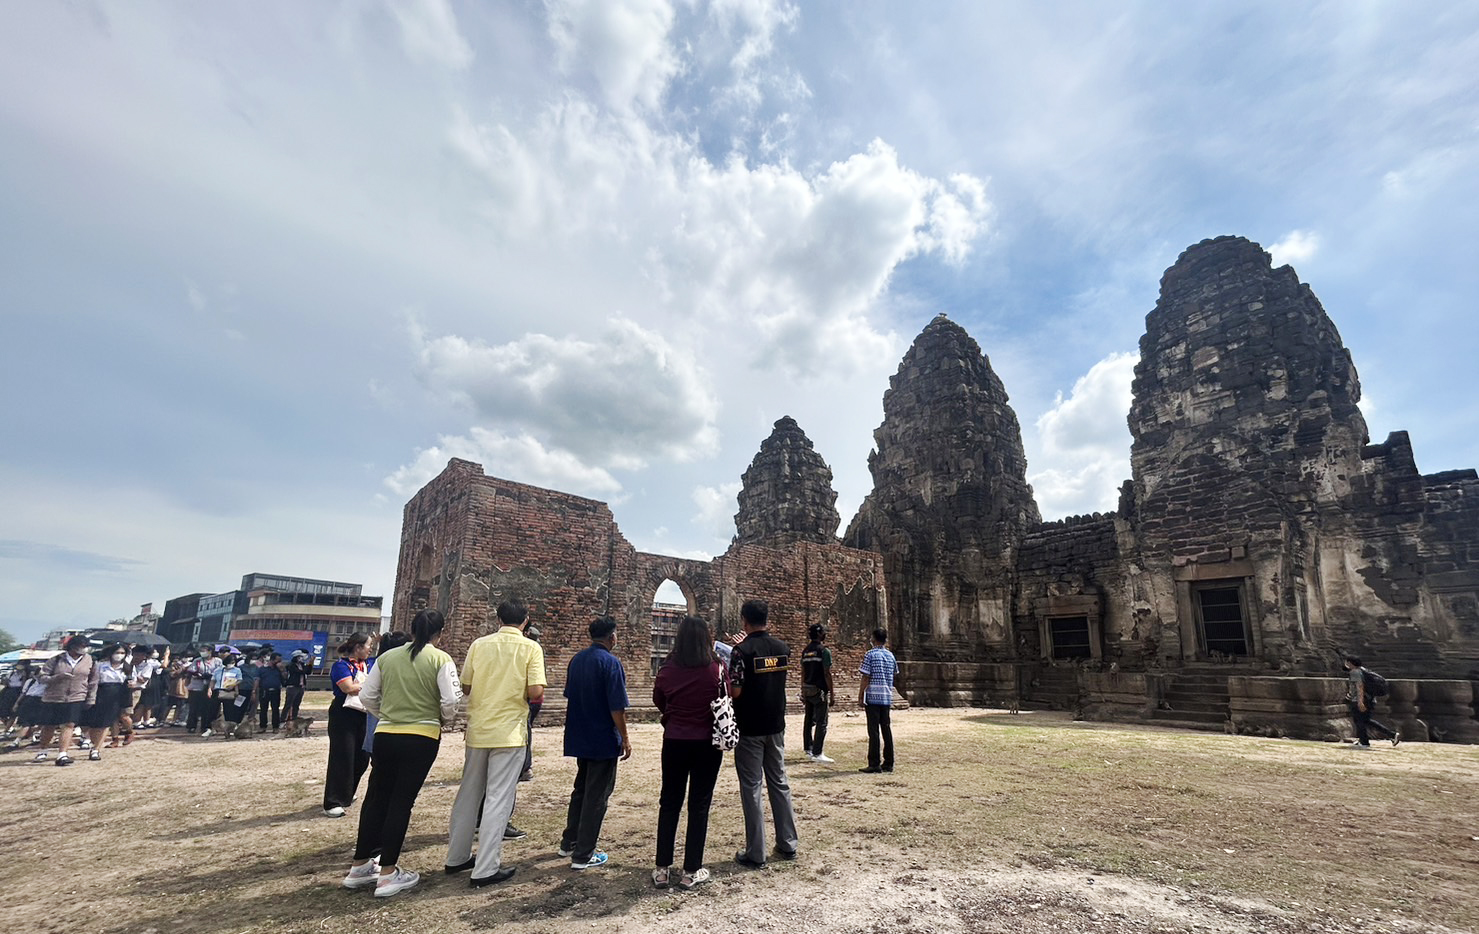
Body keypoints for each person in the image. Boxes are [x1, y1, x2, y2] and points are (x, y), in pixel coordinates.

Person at [341, 610, 462, 898]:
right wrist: (441, 719)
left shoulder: (386, 657)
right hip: (421, 736)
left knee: (376, 798)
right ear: (440, 633)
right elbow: (450, 699)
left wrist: (387, 714)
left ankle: (360, 865)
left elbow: (367, 696)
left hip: (386, 734)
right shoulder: (440, 659)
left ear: (410, 629)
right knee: (401, 801)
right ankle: (388, 873)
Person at [446, 600, 546, 887]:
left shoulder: (480, 644)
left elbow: (466, 686)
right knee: (498, 798)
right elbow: (536, 690)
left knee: (468, 794)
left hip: (479, 728)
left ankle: (457, 857)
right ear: (525, 620)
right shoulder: (530, 648)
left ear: (498, 618)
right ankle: (486, 867)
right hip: (509, 732)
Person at [651, 615, 728, 890]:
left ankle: (662, 869)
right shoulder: (716, 668)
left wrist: (674, 715)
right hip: (707, 742)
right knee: (699, 804)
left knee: (669, 802)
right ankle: (691, 870)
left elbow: (658, 698)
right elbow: (725, 698)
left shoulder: (668, 668)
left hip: (675, 740)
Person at [729, 599, 798, 868]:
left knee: (752, 787)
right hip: (775, 724)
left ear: (744, 620)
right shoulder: (781, 648)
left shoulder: (741, 651)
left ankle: (756, 852)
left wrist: (735, 650)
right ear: (766, 619)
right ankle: (788, 842)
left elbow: (735, 691)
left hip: (749, 727)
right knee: (779, 782)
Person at [559, 616, 631, 871]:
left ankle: (569, 841)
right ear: (612, 637)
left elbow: (571, 695)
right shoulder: (611, 663)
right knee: (597, 795)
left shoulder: (577, 660)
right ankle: (584, 854)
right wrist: (625, 737)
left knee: (581, 789)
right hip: (602, 738)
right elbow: (616, 707)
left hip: (581, 733)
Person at [323, 634, 373, 817]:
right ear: (358, 647)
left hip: (363, 713)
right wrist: (369, 684)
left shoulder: (369, 664)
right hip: (343, 714)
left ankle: (347, 792)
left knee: (362, 757)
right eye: (368, 645)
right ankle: (333, 801)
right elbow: (348, 688)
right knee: (342, 757)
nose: (370, 649)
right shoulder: (341, 666)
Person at [34, 634, 99, 766]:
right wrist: (56, 678)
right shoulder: (57, 659)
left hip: (76, 696)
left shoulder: (90, 660)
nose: (84, 649)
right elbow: (42, 677)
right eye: (81, 646)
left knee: (69, 724)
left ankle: (62, 754)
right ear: (72, 646)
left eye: (86, 646)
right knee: (49, 725)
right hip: (53, 697)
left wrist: (91, 698)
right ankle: (43, 749)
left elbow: (93, 681)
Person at [858, 628, 898, 773]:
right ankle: (889, 762)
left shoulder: (870, 654)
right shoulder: (890, 656)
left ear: (873, 639)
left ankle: (874, 763)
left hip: (873, 696)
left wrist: (861, 695)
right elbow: (894, 674)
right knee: (886, 729)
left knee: (873, 731)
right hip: (886, 696)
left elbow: (865, 677)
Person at [83, 644, 133, 755]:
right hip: (101, 693)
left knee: (107, 723)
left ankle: (96, 749)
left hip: (117, 694)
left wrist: (131, 685)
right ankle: (93, 742)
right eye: (117, 653)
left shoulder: (127, 667)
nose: (119, 655)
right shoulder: (100, 665)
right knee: (94, 723)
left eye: (122, 653)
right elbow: (94, 680)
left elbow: (131, 681)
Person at [1344, 655, 1401, 749]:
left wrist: (1360, 701)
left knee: (1360, 721)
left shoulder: (1355, 672)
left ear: (1350, 663)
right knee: (1365, 720)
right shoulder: (1364, 670)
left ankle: (1365, 742)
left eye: (1347, 662)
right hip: (1370, 699)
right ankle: (1389, 735)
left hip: (1360, 700)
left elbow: (1360, 686)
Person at [799, 624, 836, 764]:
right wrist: (832, 693)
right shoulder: (824, 651)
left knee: (808, 720)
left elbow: (803, 672)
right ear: (820, 634)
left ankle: (808, 747)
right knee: (822, 722)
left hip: (807, 688)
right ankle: (818, 752)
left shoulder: (806, 651)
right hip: (819, 690)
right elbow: (827, 673)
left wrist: (802, 690)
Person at [211, 652, 249, 735]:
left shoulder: (237, 670)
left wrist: (234, 687)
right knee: (214, 711)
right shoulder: (218, 670)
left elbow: (239, 680)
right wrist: (210, 689)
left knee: (229, 711)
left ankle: (229, 729)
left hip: (230, 692)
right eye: (230, 662)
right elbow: (213, 680)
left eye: (233, 662)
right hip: (218, 691)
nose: (231, 664)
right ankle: (212, 728)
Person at [184, 649, 217, 734]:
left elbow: (219, 672)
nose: (203, 652)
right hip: (197, 687)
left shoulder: (217, 661)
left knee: (207, 708)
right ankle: (192, 726)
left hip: (210, 687)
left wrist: (210, 676)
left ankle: (205, 726)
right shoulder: (197, 660)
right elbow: (192, 671)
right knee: (194, 708)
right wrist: (200, 676)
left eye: (205, 650)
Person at [129, 646, 161, 730]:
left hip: (138, 689)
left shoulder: (147, 665)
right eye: (135, 654)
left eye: (139, 655)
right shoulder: (129, 663)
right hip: (127, 688)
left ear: (144, 656)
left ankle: (130, 726)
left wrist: (135, 674)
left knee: (136, 707)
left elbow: (143, 680)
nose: (136, 657)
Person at [257, 653, 284, 732]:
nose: (278, 662)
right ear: (272, 660)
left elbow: (284, 679)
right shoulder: (262, 669)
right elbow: (257, 679)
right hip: (265, 691)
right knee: (263, 709)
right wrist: (255, 690)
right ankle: (263, 726)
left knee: (275, 709)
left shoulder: (278, 669)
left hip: (275, 691)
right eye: (277, 660)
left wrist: (282, 670)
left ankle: (275, 726)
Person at [282, 650, 310, 723]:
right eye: (300, 657)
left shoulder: (302, 665)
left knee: (296, 704)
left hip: (301, 686)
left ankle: (294, 718)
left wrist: (310, 664)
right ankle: (283, 719)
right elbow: (299, 672)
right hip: (292, 686)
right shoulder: (291, 665)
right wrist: (305, 668)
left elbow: (308, 672)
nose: (301, 658)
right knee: (288, 704)